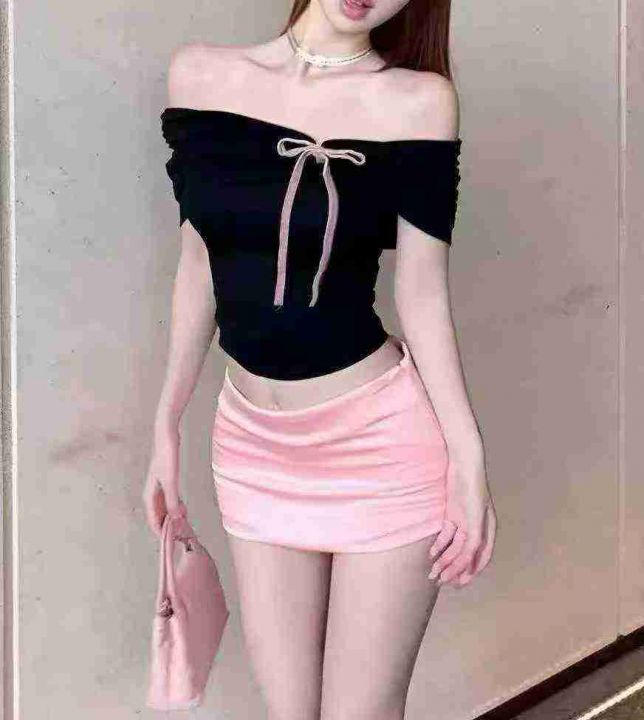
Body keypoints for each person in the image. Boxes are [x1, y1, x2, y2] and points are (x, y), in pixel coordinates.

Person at [143, 0, 497, 717]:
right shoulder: (201, 75)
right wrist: (166, 423)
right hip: (252, 447)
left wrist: (469, 458)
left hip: (380, 447)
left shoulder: (419, 102)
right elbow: (199, 265)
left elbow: (422, 293)